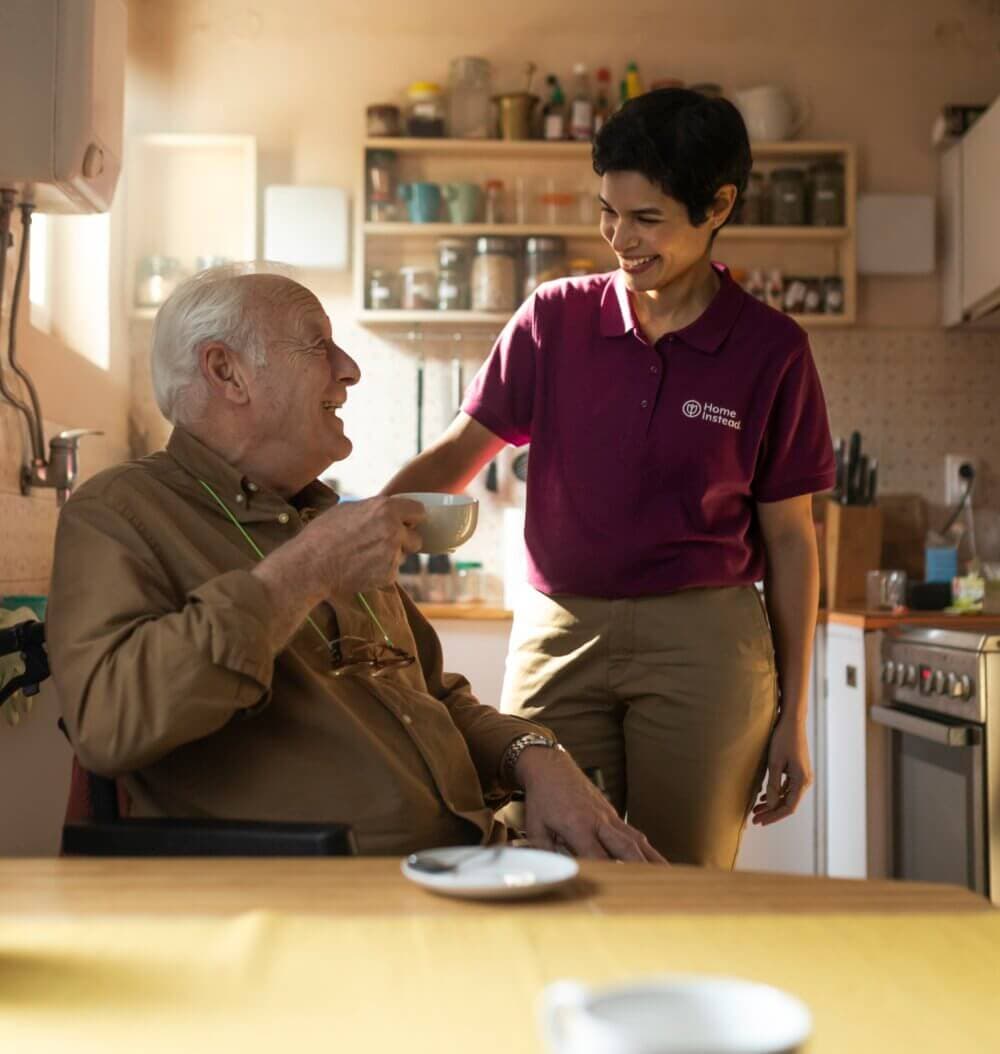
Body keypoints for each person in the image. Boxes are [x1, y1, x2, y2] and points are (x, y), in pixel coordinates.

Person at [46, 266, 663, 862]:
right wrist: (307, 569)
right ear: (225, 371)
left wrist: (537, 757)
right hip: (326, 900)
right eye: (319, 345)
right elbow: (108, 722)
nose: (351, 369)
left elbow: (434, 697)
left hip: (469, 865)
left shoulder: (322, 518)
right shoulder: (121, 511)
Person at [383, 89, 835, 867]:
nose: (619, 238)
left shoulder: (773, 350)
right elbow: (458, 456)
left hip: (704, 642)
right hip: (560, 633)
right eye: (607, 212)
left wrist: (794, 718)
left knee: (681, 878)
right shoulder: (552, 320)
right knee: (539, 861)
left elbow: (791, 542)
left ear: (718, 204)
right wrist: (345, 529)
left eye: (648, 219)